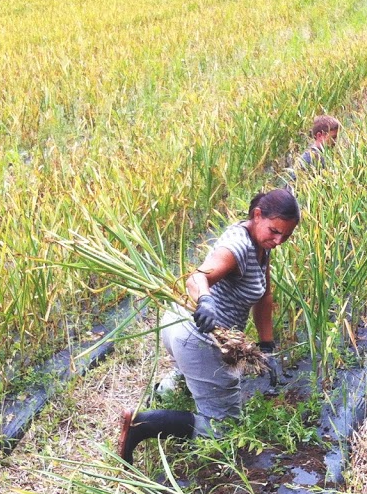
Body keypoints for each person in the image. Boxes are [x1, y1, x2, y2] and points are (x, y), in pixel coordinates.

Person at [117, 188, 300, 462]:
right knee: (224, 428)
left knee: (187, 374)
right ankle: (141, 426)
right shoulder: (238, 247)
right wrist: (205, 301)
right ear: (257, 215)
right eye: (274, 231)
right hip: (197, 334)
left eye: (285, 235)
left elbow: (264, 297)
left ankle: (164, 395)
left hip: (178, 324)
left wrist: (267, 346)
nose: (279, 240)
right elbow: (196, 278)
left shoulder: (259, 244)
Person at [286, 115, 340, 182]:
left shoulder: (327, 156)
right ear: (319, 135)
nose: (335, 141)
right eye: (333, 137)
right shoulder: (308, 158)